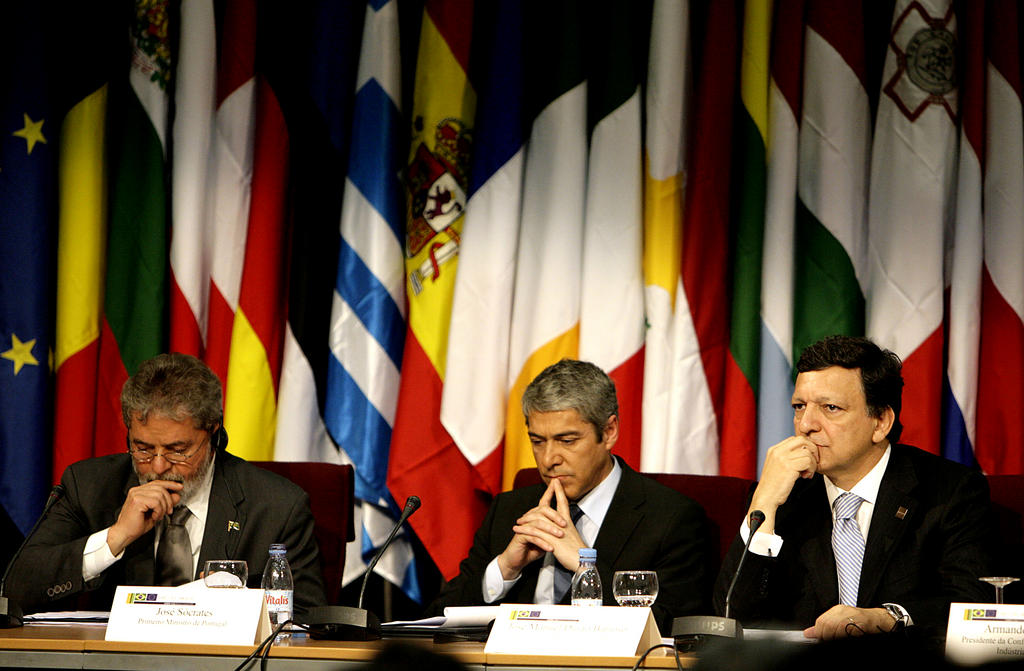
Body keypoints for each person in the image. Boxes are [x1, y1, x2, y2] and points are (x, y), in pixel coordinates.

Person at [713, 335, 993, 640]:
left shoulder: (949, 491)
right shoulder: (782, 497)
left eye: (830, 407)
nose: (806, 424)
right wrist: (763, 502)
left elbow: (975, 606)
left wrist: (886, 617)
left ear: (881, 422)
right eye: (799, 406)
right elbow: (731, 619)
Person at [5, 353, 326, 616]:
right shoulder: (88, 485)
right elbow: (15, 588)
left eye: (177, 450)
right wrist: (115, 538)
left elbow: (309, 617)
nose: (157, 466)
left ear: (213, 433)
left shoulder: (276, 505)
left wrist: (238, 608)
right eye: (142, 448)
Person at [427, 359, 709, 632]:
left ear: (609, 432)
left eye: (567, 441)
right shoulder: (510, 509)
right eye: (537, 442)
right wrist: (504, 570)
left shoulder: (671, 518)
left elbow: (675, 629)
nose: (549, 459)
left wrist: (586, 567)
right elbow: (436, 619)